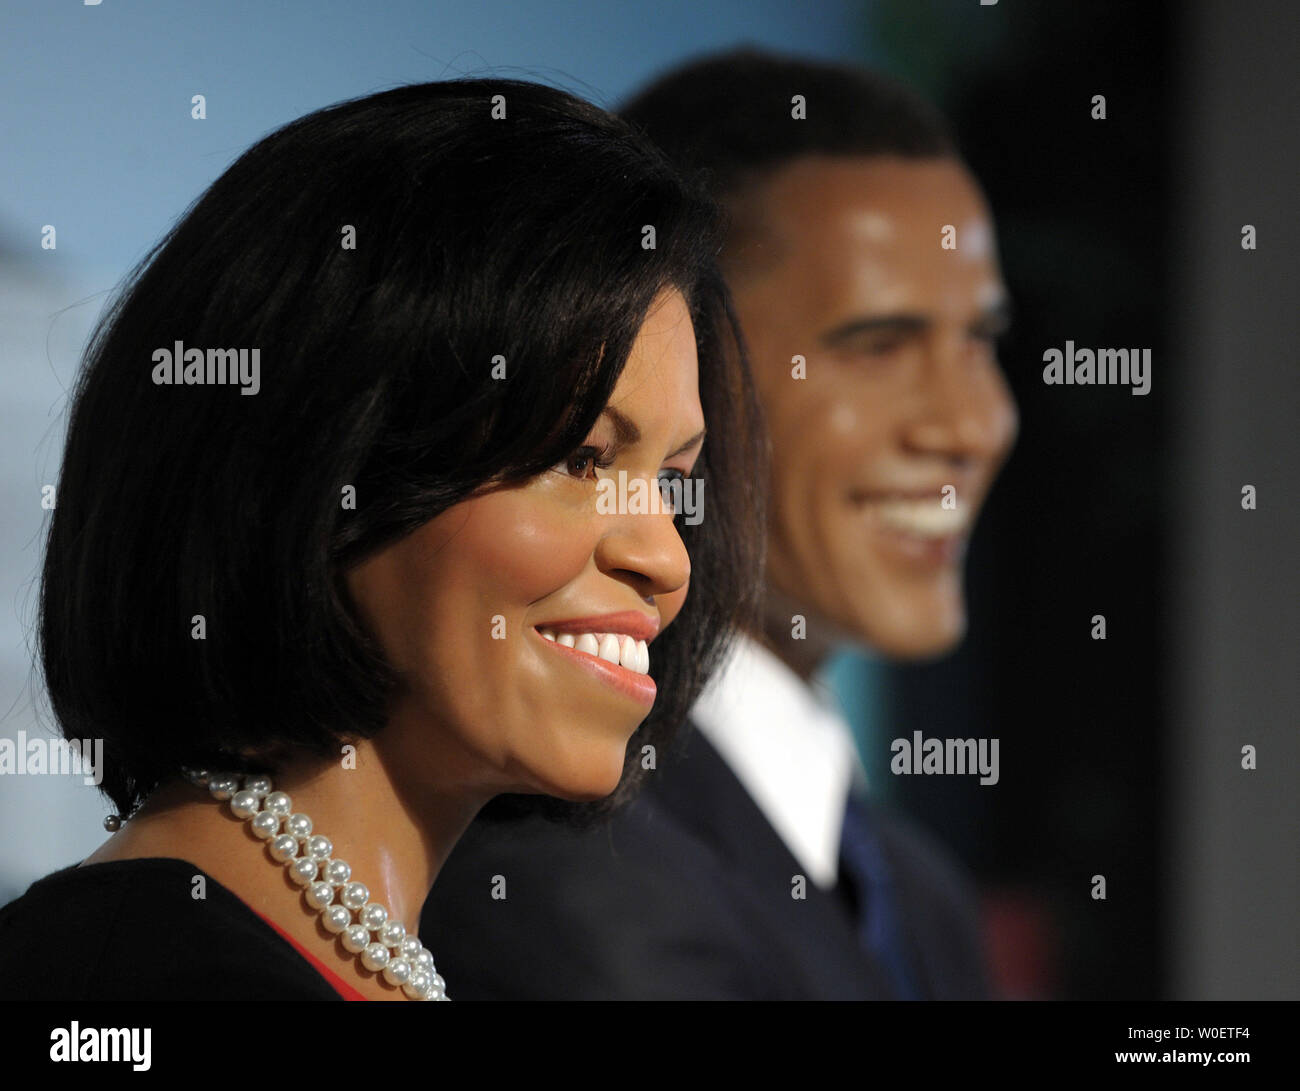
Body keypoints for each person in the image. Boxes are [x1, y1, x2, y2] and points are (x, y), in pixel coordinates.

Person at [0, 78, 764, 1001]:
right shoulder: (138, 978)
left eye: (675, 483)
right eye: (581, 455)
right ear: (323, 463)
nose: (667, 559)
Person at [420, 49, 1019, 999]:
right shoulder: (569, 872)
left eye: (981, 340)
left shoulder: (922, 891)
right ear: (664, 361)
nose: (972, 423)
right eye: (879, 344)